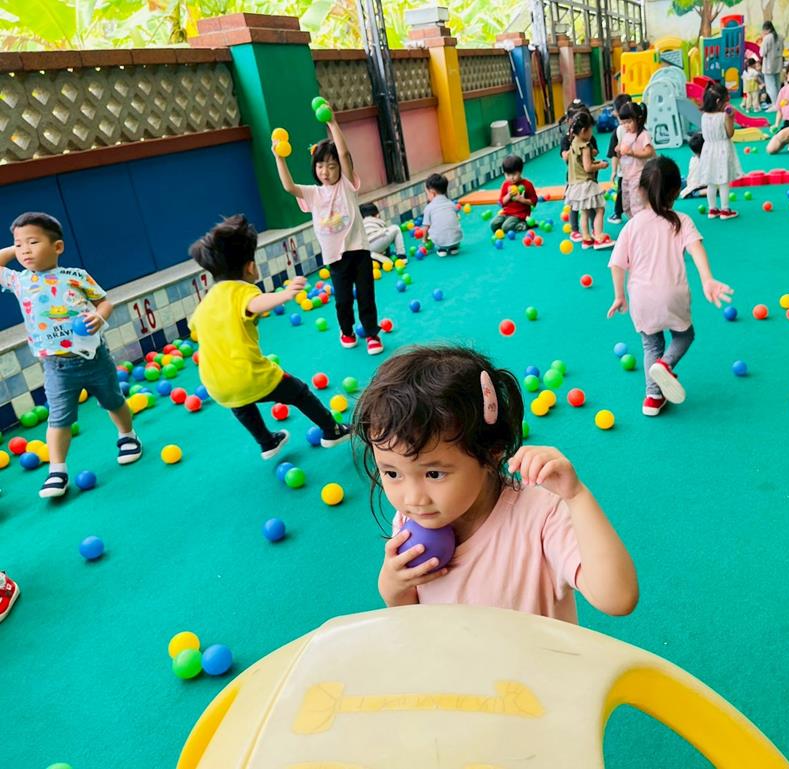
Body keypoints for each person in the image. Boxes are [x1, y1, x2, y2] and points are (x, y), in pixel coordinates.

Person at [354, 344, 639, 623]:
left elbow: (618, 597)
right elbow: (414, 617)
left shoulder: (539, 516)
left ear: (493, 451)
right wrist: (394, 587)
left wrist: (576, 497)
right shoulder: (412, 520)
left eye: (434, 474)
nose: (412, 498)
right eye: (392, 474)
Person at [0, 212, 142, 499]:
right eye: (19, 244)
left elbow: (104, 302)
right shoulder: (19, 281)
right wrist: (17, 247)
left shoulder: (76, 276)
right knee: (58, 418)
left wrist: (99, 317)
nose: (25, 250)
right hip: (56, 366)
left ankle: (127, 436)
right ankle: (57, 470)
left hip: (94, 357)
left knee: (113, 400)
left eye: (33, 242)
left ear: (58, 247)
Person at [188, 214, 351, 459]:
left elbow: (195, 329)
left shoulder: (205, 303)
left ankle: (267, 442)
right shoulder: (241, 291)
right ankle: (332, 430)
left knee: (241, 404)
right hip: (249, 375)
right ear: (250, 267)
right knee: (299, 392)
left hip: (215, 383)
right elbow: (254, 304)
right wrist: (284, 295)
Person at [606, 157, 733, 417]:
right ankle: (666, 365)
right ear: (676, 192)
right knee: (684, 336)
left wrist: (619, 295)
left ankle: (652, 398)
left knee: (651, 346)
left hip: (641, 298)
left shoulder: (632, 225)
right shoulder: (681, 220)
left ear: (641, 190)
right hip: (673, 295)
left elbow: (616, 264)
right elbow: (696, 249)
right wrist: (707, 279)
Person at [273, 107, 382, 355]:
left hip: (358, 250)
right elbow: (289, 187)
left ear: (340, 169)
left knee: (366, 294)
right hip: (335, 258)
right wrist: (279, 158)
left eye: (332, 166)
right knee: (343, 300)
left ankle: (372, 334)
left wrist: (332, 123)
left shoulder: (347, 185)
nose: (326, 171)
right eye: (321, 166)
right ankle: (347, 331)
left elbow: (344, 153)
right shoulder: (313, 194)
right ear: (315, 168)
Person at [565, 110, 614, 249]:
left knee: (584, 212)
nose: (592, 133)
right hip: (586, 183)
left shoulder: (573, 143)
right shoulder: (585, 146)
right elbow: (588, 167)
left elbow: (580, 163)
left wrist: (595, 161)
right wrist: (601, 165)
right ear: (583, 131)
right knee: (600, 209)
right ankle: (598, 236)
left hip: (575, 184)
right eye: (591, 129)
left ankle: (586, 239)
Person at [697, 82, 743, 220]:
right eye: (726, 101)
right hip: (722, 149)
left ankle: (712, 209)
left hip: (708, 150)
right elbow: (730, 133)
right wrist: (731, 118)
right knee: (723, 181)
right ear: (718, 102)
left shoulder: (704, 116)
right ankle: (725, 210)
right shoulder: (723, 116)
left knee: (711, 182)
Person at [560, 99, 598, 239]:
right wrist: (576, 148)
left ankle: (595, 229)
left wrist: (588, 150)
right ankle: (574, 229)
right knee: (575, 204)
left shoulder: (589, 137)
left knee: (591, 202)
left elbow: (595, 151)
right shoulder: (567, 140)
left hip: (589, 175)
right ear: (569, 121)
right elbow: (565, 156)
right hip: (575, 177)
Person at [615, 101, 655, 218]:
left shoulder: (643, 135)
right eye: (624, 123)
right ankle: (634, 222)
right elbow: (623, 154)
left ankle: (639, 223)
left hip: (638, 175)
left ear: (638, 119)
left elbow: (649, 152)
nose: (626, 126)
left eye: (629, 122)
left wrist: (632, 153)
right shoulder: (626, 134)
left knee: (636, 205)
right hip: (626, 176)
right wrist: (618, 150)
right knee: (626, 205)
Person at [490, 155, 538, 234]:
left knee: (505, 227)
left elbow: (534, 202)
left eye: (514, 174)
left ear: (520, 172)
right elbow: (501, 203)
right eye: (508, 175)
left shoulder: (527, 184)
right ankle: (513, 225)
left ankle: (526, 224)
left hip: (520, 215)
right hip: (506, 213)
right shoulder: (505, 185)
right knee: (493, 225)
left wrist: (521, 199)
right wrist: (509, 195)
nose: (511, 178)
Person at [606, 93, 633, 224]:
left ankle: (617, 214)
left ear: (616, 113)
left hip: (625, 170)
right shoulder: (639, 127)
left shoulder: (618, 131)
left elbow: (614, 154)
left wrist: (614, 172)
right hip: (636, 168)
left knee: (622, 191)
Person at [421, 173, 463, 257]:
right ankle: (454, 248)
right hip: (457, 239)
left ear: (432, 193)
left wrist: (425, 239)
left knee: (432, 227)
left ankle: (441, 249)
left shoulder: (429, 208)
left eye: (427, 194)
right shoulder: (451, 204)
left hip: (440, 242)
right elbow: (454, 219)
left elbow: (425, 228)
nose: (427, 196)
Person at [760, 21, 784, 108]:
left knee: (770, 86)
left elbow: (762, 53)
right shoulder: (780, 37)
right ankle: (779, 103)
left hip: (769, 65)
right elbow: (782, 49)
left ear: (767, 29)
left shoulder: (767, 38)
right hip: (778, 63)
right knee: (777, 84)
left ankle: (775, 104)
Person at [680, 132, 707, 199]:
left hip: (694, 184)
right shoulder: (711, 159)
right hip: (700, 185)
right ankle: (702, 191)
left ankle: (697, 192)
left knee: (682, 180)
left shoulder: (693, 159)